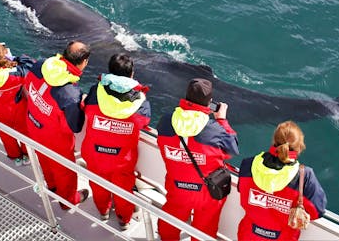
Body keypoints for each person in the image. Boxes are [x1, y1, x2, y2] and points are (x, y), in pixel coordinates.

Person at [157, 78, 239, 241]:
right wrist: (222, 120)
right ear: (209, 103)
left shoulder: (166, 121)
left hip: (177, 186)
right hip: (206, 192)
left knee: (170, 219)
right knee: (204, 228)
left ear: (186, 97)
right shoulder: (215, 130)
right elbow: (232, 150)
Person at [81, 53, 151, 230]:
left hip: (95, 153)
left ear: (110, 72)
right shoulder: (140, 102)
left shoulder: (95, 91)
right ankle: (123, 220)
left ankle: (103, 211)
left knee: (98, 184)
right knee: (123, 190)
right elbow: (144, 122)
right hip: (122, 159)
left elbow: (86, 107)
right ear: (132, 74)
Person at [24, 41, 90, 209]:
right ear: (84, 62)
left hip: (33, 124)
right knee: (64, 171)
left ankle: (52, 186)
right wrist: (80, 104)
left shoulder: (40, 65)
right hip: (55, 139)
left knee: (44, 159)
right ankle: (68, 201)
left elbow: (27, 86)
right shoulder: (70, 94)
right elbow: (75, 126)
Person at [237, 120, 327, 241]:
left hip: (248, 234)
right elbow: (317, 211)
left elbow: (241, 189)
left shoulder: (249, 165)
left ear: (274, 142)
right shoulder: (304, 176)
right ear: (299, 147)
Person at [0, 39, 35, 166]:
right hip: (15, 107)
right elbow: (30, 64)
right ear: (4, 54)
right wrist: (14, 58)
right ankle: (27, 155)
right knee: (24, 131)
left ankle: (16, 157)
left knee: (5, 133)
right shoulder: (15, 72)